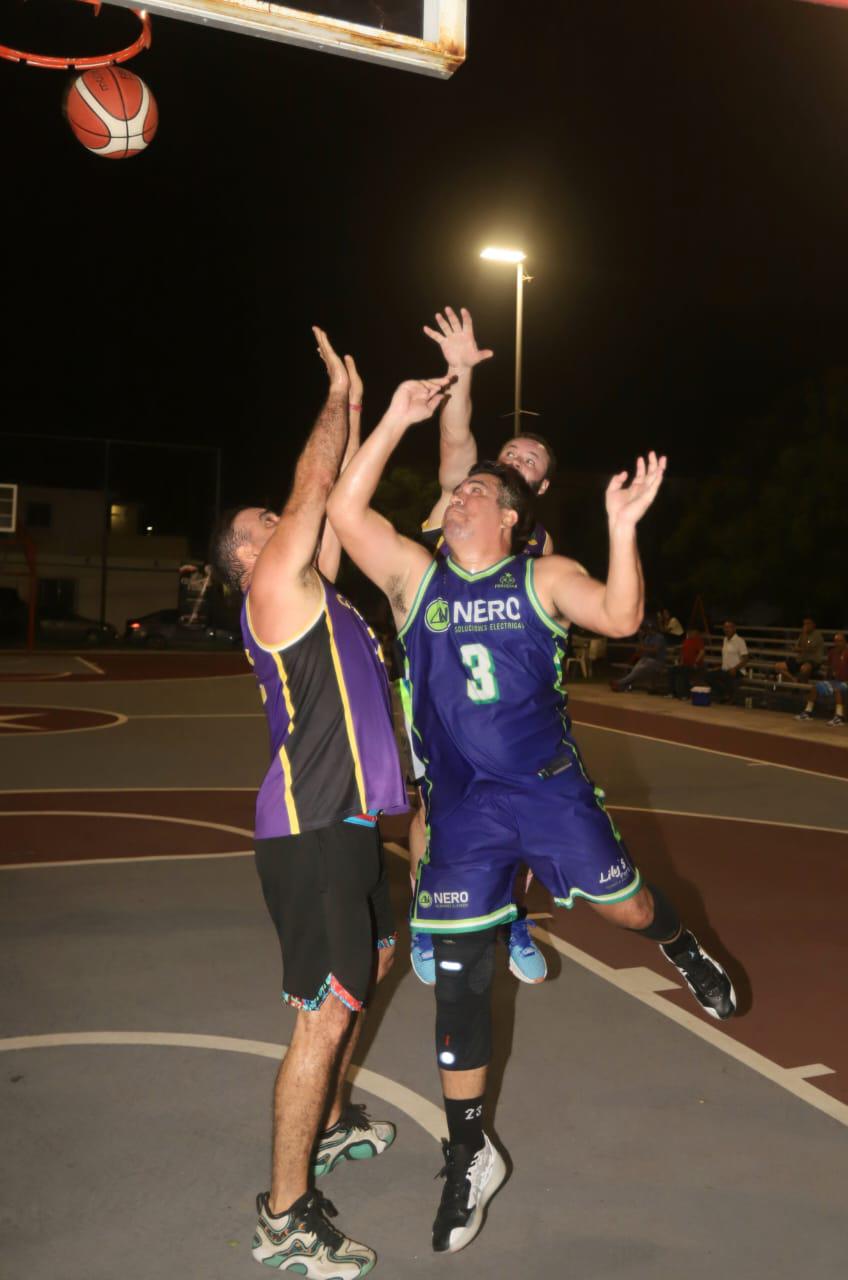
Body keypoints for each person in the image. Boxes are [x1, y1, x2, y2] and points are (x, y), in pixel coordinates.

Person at [327, 384, 736, 1257]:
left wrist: (624, 527)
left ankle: (682, 945)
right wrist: (396, 418)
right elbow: (345, 508)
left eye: (477, 492)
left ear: (510, 519)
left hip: (548, 793)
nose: (462, 495)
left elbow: (622, 617)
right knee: (461, 977)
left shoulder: (541, 574)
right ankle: (469, 1150)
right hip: (465, 808)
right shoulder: (414, 576)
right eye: (461, 489)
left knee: (627, 909)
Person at [210, 330, 409, 1280]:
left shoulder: (318, 590)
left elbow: (327, 502)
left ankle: (327, 1128)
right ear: (247, 554)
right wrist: (335, 394)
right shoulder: (273, 595)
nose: (283, 521)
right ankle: (283, 1216)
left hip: (352, 825)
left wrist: (367, 410)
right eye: (265, 519)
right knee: (325, 1012)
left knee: (373, 957)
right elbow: (311, 486)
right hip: (310, 827)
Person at [409, 306, 553, 987]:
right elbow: (456, 436)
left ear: (541, 488)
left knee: (519, 804)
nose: (519, 458)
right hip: (436, 680)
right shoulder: (462, 499)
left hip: (506, 698)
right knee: (435, 806)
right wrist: (461, 373)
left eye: (534, 460)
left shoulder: (539, 553)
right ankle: (424, 916)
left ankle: (507, 917)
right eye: (514, 452)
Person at [796, 631, 848, 726]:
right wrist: (826, 679)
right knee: (815, 687)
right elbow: (829, 668)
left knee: (837, 689)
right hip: (834, 681)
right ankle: (807, 712)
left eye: (840, 641)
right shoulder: (832, 653)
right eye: (836, 641)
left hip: (846, 682)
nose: (838, 643)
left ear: (845, 642)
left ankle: (839, 717)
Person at [609, 614, 668, 691]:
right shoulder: (647, 637)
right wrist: (640, 638)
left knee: (638, 670)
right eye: (645, 629)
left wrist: (644, 648)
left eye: (647, 628)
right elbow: (641, 649)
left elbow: (655, 651)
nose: (646, 630)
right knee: (636, 670)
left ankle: (619, 683)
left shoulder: (659, 637)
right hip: (646, 660)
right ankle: (622, 686)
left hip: (657, 662)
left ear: (652, 628)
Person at [706, 619, 749, 703]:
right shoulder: (725, 640)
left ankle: (726, 696)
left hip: (737, 670)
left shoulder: (740, 641)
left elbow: (746, 658)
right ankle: (722, 693)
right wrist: (720, 667)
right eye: (725, 627)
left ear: (734, 628)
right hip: (725, 669)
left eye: (729, 627)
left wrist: (735, 668)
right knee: (708, 675)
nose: (727, 629)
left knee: (726, 677)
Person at [774, 617, 826, 683]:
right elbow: (796, 647)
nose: (806, 625)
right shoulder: (802, 634)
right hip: (800, 660)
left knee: (804, 669)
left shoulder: (817, 635)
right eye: (804, 624)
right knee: (778, 666)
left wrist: (800, 647)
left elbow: (808, 648)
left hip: (812, 661)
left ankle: (804, 687)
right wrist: (798, 648)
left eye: (808, 623)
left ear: (813, 625)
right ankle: (794, 680)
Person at [668, 626, 706, 699]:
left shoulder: (698, 640)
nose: (690, 632)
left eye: (692, 631)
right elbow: (683, 653)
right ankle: (672, 692)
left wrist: (696, 662)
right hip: (685, 664)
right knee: (672, 670)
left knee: (684, 672)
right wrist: (681, 662)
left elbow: (702, 652)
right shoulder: (686, 640)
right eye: (689, 631)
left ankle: (684, 694)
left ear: (696, 632)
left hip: (694, 665)